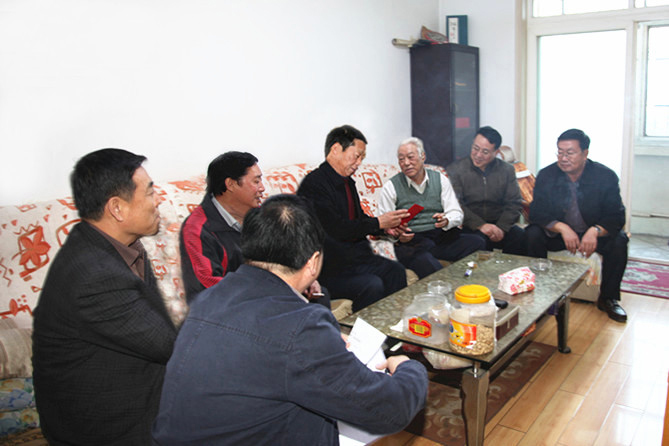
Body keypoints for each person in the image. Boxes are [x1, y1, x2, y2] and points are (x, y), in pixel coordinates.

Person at [152, 194, 428, 445]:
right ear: (312, 262)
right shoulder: (300, 327)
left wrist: (324, 342)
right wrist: (407, 366)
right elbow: (391, 410)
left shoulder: (209, 298)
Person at [32, 149, 178, 445]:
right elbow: (171, 347)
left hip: (133, 387)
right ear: (117, 208)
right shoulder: (95, 276)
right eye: (150, 192)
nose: (158, 201)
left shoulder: (116, 245)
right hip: (108, 426)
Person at [180, 151, 329, 307]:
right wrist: (272, 290)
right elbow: (210, 287)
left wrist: (302, 276)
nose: (262, 188)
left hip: (263, 291)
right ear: (230, 184)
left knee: (320, 297)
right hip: (231, 305)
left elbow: (283, 252)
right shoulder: (197, 230)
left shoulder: (256, 214)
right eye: (256, 181)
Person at [297, 125, 409, 311]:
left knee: (396, 271)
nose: (358, 163)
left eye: (362, 158)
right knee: (372, 285)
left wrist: (384, 229)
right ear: (335, 149)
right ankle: (362, 331)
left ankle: (394, 325)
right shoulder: (314, 185)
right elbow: (337, 228)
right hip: (332, 267)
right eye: (356, 156)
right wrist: (378, 222)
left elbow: (359, 220)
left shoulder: (348, 182)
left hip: (357, 260)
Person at [527, 129, 628, 322]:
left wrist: (595, 231)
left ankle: (608, 298)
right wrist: (561, 227)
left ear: (585, 153)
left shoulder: (605, 176)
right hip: (560, 236)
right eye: (560, 152)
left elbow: (616, 216)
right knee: (532, 233)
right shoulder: (547, 175)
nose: (563, 158)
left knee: (619, 241)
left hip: (591, 235)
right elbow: (537, 213)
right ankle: (539, 292)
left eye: (570, 153)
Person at [379, 137, 485, 278]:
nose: (406, 163)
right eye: (401, 159)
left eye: (410, 157)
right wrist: (397, 236)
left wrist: (446, 220)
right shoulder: (391, 186)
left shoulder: (440, 179)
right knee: (426, 261)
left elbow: (456, 213)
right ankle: (446, 282)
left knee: (477, 242)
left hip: (439, 238)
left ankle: (465, 281)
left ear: (423, 156)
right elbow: (384, 225)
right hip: (413, 243)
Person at [446, 126, 526, 255]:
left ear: (496, 152)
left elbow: (514, 203)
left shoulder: (507, 170)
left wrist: (501, 228)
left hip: (499, 223)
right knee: (478, 241)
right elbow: (456, 204)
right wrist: (481, 225)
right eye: (475, 148)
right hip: (470, 225)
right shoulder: (456, 169)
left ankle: (509, 268)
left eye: (485, 152)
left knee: (520, 236)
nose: (478, 155)